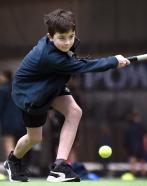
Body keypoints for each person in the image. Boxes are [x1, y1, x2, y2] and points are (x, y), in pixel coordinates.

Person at [3, 8, 130, 182]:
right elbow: (84, 66)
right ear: (50, 36)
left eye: (71, 36)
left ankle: (59, 166)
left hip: (51, 83)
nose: (67, 42)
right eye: (61, 38)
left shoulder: (60, 48)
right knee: (35, 138)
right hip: (31, 93)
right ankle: (13, 161)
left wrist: (113, 61)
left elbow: (73, 61)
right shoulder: (50, 56)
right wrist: (114, 61)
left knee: (75, 112)